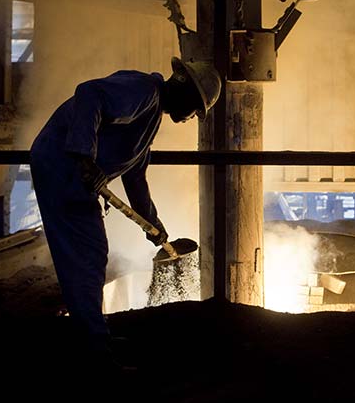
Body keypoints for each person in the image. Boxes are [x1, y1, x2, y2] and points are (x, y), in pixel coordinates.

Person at [30, 57, 221, 369]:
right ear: (183, 84)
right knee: (86, 259)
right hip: (61, 167)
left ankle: (95, 339)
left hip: (74, 175)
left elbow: (135, 177)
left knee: (91, 257)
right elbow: (89, 93)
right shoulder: (144, 89)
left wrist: (153, 225)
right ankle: (94, 353)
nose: (191, 117)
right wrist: (84, 157)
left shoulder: (150, 117)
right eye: (195, 108)